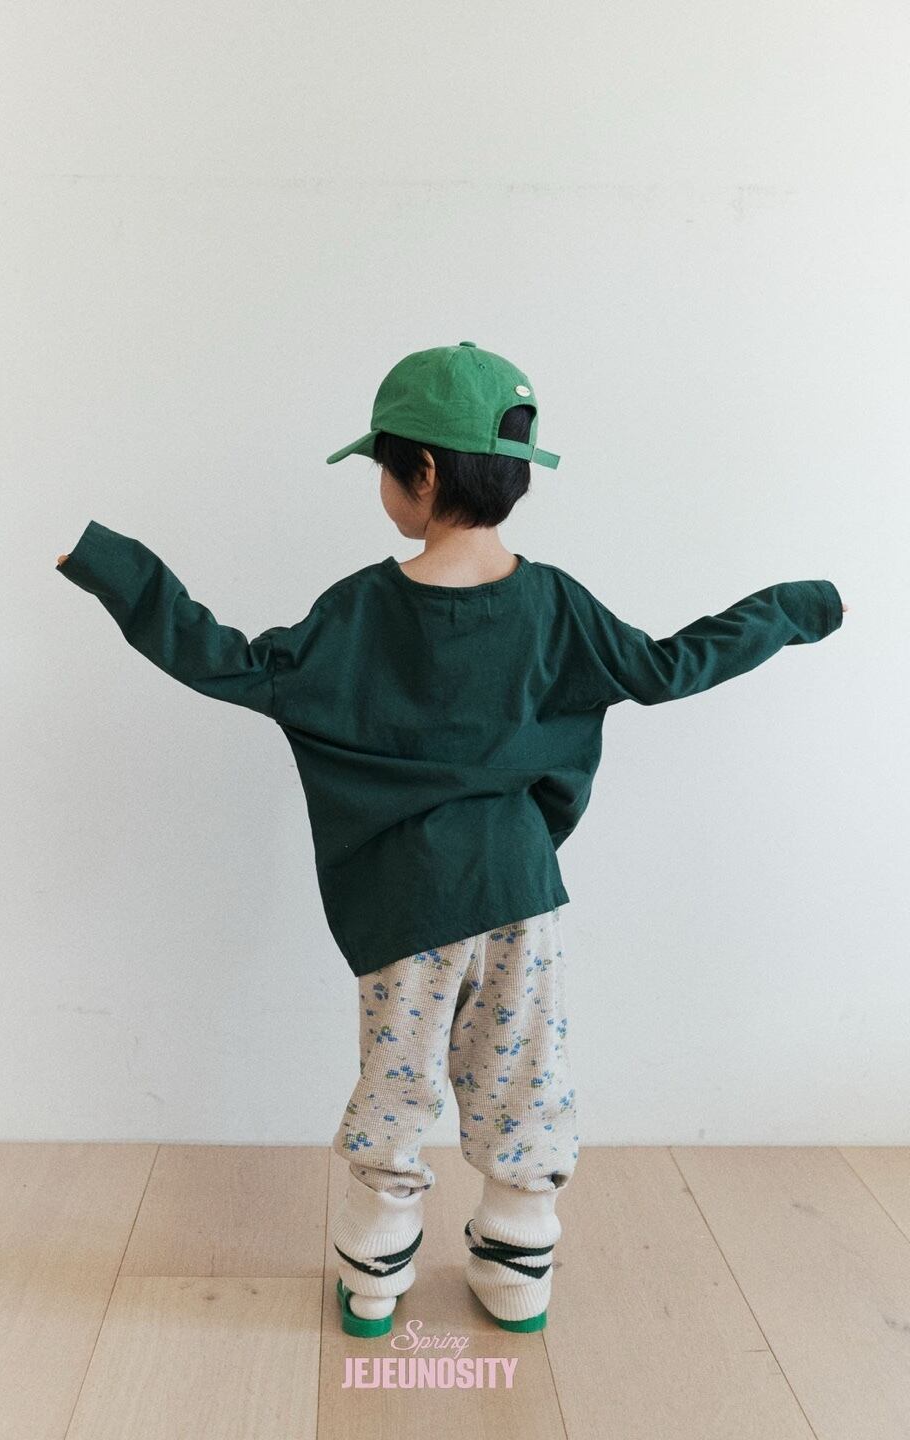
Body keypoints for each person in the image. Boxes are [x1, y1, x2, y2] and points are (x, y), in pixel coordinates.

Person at [55, 340, 847, 1339]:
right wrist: (792, 610)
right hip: (521, 890)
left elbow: (233, 665)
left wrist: (112, 567)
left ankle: (375, 1278)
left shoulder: (360, 609)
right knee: (522, 1081)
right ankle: (518, 1274)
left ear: (422, 472)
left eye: (384, 468)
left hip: (406, 903)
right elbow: (666, 667)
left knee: (398, 1083)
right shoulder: (554, 603)